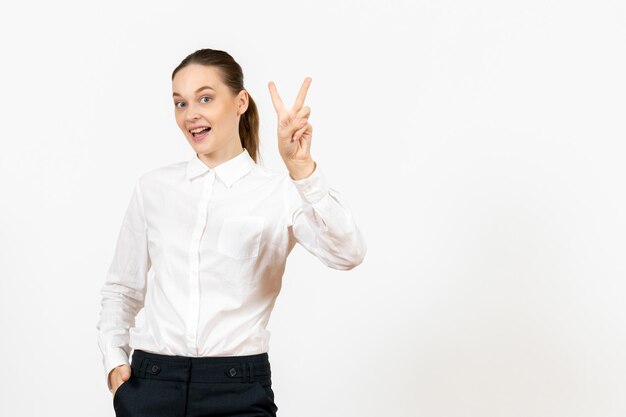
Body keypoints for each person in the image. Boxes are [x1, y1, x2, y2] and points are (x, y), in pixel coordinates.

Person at [96, 48, 366, 417]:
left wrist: (302, 169)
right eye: (180, 103)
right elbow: (122, 290)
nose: (191, 114)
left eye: (205, 98)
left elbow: (348, 253)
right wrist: (115, 366)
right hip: (152, 385)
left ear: (240, 102)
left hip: (236, 389)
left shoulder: (280, 193)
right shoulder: (153, 189)